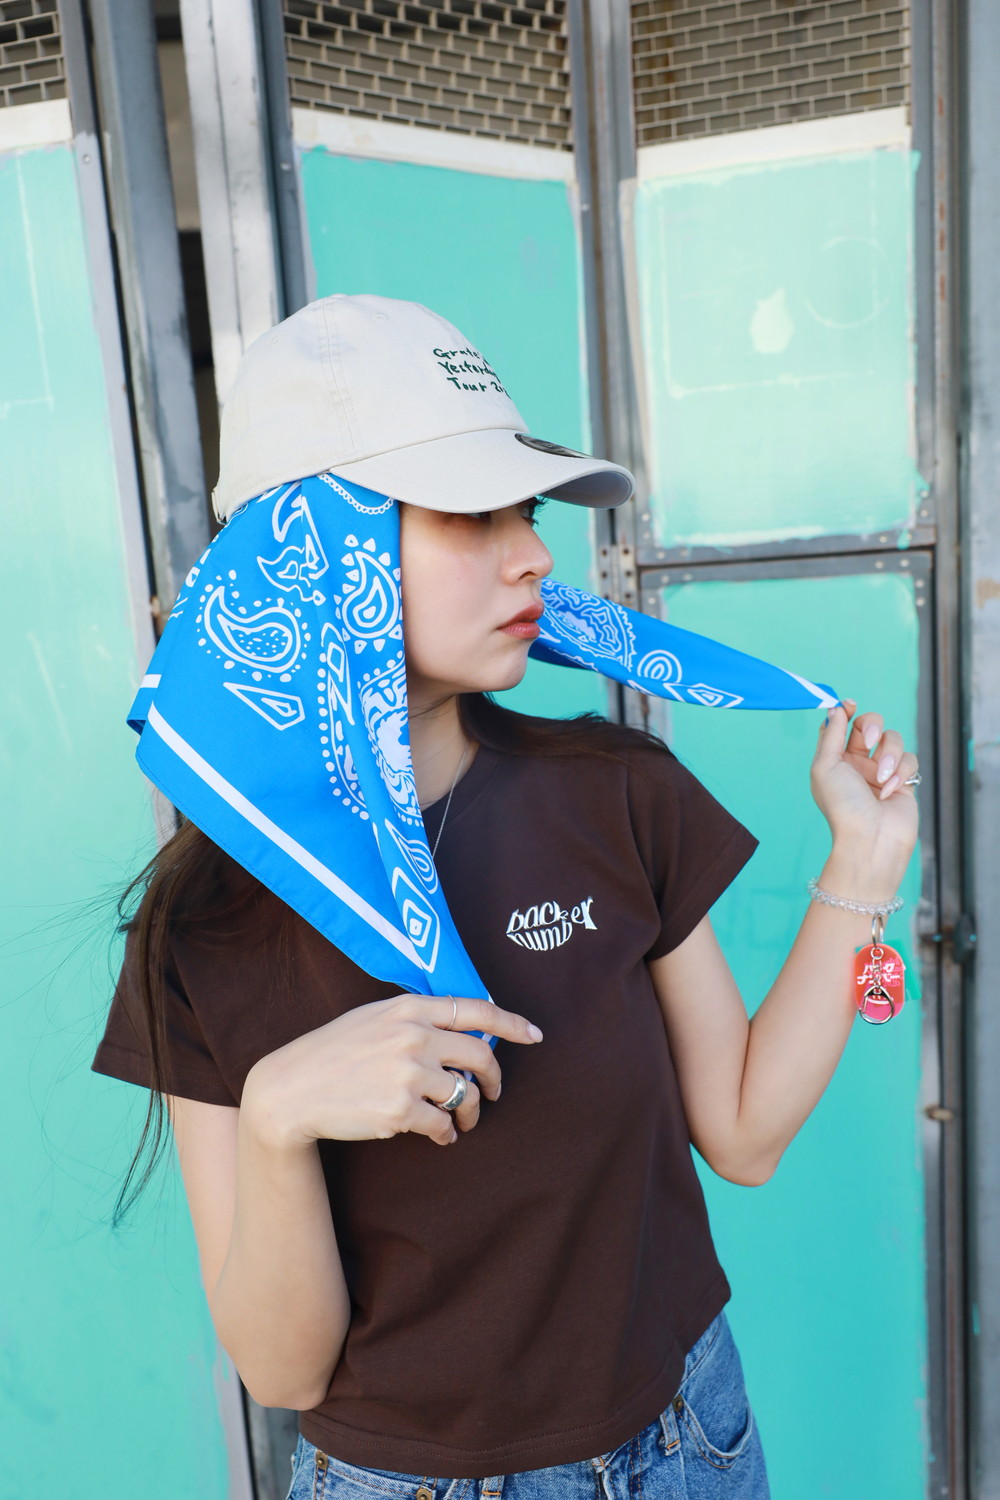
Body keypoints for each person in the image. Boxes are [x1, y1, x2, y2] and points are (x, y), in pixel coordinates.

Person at [92, 295, 919, 1500]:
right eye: (470, 514)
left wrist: (863, 864)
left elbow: (742, 1132)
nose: (534, 554)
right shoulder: (203, 934)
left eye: (523, 511)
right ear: (314, 555)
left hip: (690, 1444)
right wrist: (277, 1116)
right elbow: (284, 1368)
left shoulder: (614, 790)